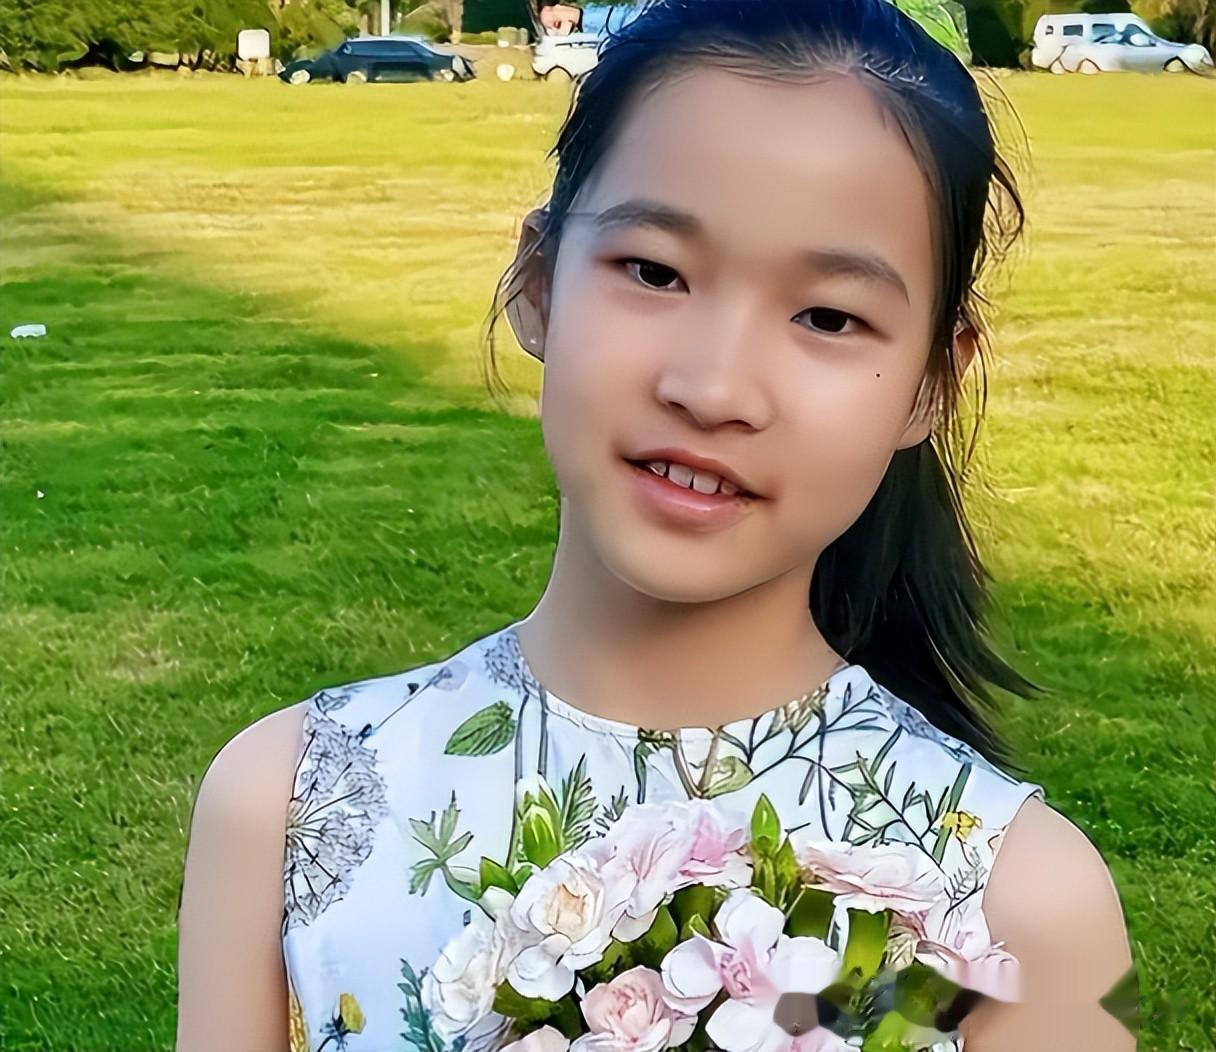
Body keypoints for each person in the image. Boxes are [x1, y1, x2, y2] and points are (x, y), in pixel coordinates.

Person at [176, 1, 1136, 1049]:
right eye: (653, 271)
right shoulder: (292, 799)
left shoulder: (1019, 906)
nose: (713, 386)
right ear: (538, 283)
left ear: (928, 385)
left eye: (828, 316)